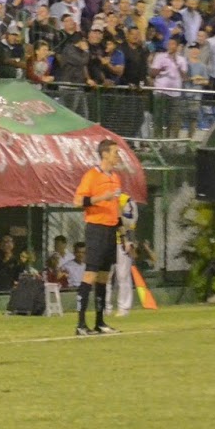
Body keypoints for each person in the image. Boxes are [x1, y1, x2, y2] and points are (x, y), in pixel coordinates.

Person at [73, 139, 124, 336]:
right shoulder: (92, 175)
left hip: (111, 230)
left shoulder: (116, 178)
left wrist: (123, 234)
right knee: (90, 275)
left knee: (104, 277)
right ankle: (80, 324)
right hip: (96, 229)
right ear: (105, 154)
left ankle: (100, 322)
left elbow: (116, 208)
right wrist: (102, 198)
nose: (117, 156)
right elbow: (77, 201)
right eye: (115, 152)